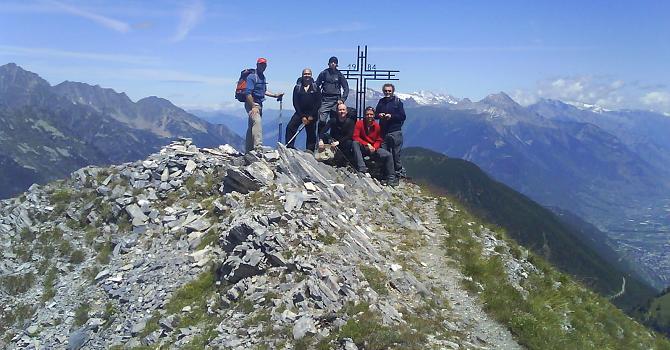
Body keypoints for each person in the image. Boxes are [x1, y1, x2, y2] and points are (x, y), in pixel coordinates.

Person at [244, 57, 283, 152]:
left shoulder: (262, 77)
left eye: (264, 64)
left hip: (259, 104)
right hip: (252, 104)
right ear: (257, 65)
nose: (262, 66)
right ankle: (258, 147)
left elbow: (264, 91)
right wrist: (253, 106)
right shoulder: (252, 77)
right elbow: (248, 93)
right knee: (257, 122)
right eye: (261, 64)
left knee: (252, 127)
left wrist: (275, 95)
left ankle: (248, 150)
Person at [352, 107, 397, 186]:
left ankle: (391, 178)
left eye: (371, 114)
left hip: (374, 148)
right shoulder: (359, 123)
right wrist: (367, 144)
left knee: (388, 155)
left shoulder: (377, 126)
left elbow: (379, 140)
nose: (369, 116)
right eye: (367, 114)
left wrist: (374, 148)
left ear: (374, 115)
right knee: (355, 143)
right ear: (364, 115)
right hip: (363, 146)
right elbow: (355, 137)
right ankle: (362, 168)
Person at [375, 83, 406, 178]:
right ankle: (387, 172)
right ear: (383, 91)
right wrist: (379, 115)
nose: (387, 92)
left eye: (389, 91)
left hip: (395, 131)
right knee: (385, 153)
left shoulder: (397, 102)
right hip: (383, 132)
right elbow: (375, 114)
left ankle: (399, 172)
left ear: (393, 91)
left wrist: (391, 116)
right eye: (385, 91)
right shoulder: (381, 101)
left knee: (395, 154)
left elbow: (402, 116)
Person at [286, 68, 320, 151]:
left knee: (311, 133)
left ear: (311, 75)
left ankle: (310, 150)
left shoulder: (316, 87)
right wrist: (302, 116)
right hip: (300, 113)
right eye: (305, 74)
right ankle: (290, 147)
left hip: (312, 114)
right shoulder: (297, 87)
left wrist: (312, 115)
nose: (307, 75)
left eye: (308, 74)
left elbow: (318, 102)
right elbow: (295, 102)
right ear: (302, 75)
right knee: (290, 127)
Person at [316, 56, 349, 139]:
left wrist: (342, 99)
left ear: (337, 64)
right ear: (328, 63)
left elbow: (346, 88)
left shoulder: (339, 75)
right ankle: (320, 139)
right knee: (322, 120)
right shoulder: (324, 73)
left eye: (334, 62)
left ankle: (333, 140)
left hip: (336, 100)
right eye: (331, 62)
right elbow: (316, 85)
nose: (333, 63)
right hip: (325, 100)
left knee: (335, 121)